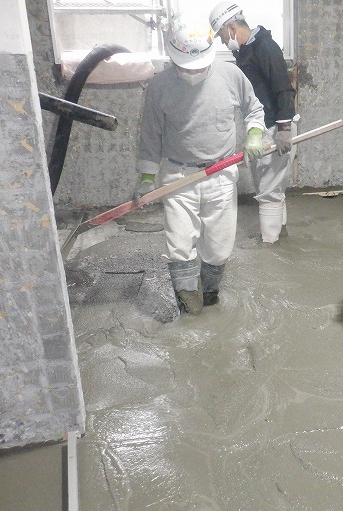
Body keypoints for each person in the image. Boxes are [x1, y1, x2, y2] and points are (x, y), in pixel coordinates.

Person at [134, 15, 266, 314]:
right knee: (179, 246)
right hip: (178, 176)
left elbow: (254, 109)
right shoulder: (160, 85)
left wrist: (255, 134)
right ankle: (188, 306)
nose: (192, 71)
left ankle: (209, 295)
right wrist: (147, 178)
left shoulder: (231, 75)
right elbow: (151, 133)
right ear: (173, 55)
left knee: (218, 248)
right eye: (185, 66)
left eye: (198, 65)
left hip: (221, 173)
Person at [208, 2, 298, 245]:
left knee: (268, 189)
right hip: (264, 127)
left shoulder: (265, 47)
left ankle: (270, 245)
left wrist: (284, 129)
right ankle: (279, 234)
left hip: (275, 128)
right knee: (271, 187)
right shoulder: (246, 50)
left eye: (222, 35)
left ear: (231, 28)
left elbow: (283, 89)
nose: (222, 41)